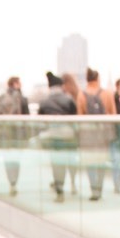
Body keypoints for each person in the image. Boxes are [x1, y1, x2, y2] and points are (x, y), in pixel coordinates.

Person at [76, 68, 116, 201]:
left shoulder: (81, 95)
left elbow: (80, 117)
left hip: (88, 135)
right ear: (98, 79)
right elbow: (113, 115)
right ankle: (99, 187)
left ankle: (93, 189)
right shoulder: (107, 94)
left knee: (90, 163)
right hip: (102, 134)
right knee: (101, 162)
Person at [38, 72, 78, 202]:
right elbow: (75, 119)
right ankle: (72, 183)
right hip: (68, 136)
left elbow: (41, 122)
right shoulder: (69, 99)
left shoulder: (44, 102)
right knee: (70, 162)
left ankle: (59, 190)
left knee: (56, 164)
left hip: (53, 136)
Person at [0, 77, 30, 195]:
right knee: (16, 160)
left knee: (8, 160)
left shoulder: (0, 98)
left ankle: (10, 182)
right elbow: (27, 120)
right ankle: (15, 182)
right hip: (18, 135)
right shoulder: (22, 99)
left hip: (5, 135)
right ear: (15, 84)